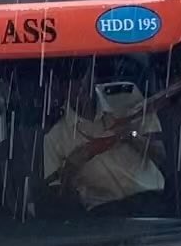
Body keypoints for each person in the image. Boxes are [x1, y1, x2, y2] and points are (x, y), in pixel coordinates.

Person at [43, 61, 166, 210]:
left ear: (93, 75)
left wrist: (131, 135)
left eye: (81, 74)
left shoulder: (127, 96)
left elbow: (161, 156)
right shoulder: (54, 137)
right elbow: (57, 206)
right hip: (104, 213)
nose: (77, 84)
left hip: (153, 202)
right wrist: (71, 168)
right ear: (58, 86)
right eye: (68, 79)